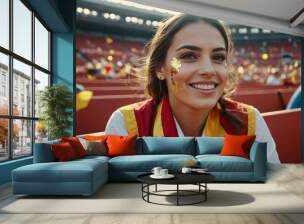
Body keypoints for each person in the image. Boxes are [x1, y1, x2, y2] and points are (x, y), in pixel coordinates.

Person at [105, 14, 280, 163]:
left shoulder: (250, 122)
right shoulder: (127, 125)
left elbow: (273, 191)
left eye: (218, 57)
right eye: (188, 56)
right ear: (160, 68)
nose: (208, 70)